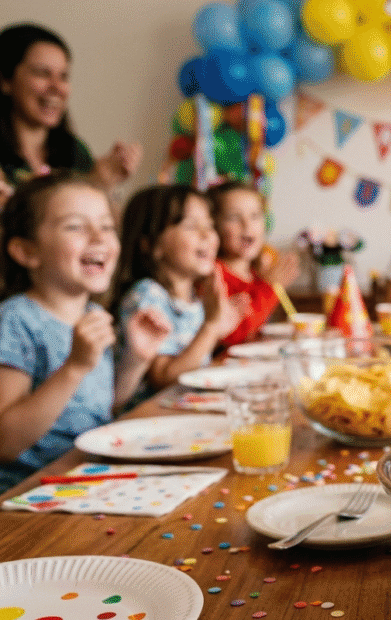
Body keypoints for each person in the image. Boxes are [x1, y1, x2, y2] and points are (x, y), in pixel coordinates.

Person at [0, 172, 170, 492]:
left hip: (89, 475)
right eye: (75, 226)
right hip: (30, 493)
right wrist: (74, 367)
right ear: (26, 251)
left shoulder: (92, 314)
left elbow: (97, 409)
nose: (99, 237)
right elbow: (6, 442)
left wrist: (136, 359)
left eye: (107, 226)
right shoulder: (16, 321)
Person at [110, 184, 246, 408]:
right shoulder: (147, 295)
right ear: (151, 245)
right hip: (146, 420)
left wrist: (219, 332)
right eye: (191, 226)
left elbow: (194, 363)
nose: (208, 235)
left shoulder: (192, 297)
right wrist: (211, 327)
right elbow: (165, 378)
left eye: (210, 225)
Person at [0, 24, 142, 206]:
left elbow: (101, 228)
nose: (57, 87)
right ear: (5, 80)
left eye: (64, 76)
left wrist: (102, 184)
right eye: (42, 73)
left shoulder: (76, 152)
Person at [206, 181, 299, 349]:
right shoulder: (212, 274)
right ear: (214, 225)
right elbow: (233, 336)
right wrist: (269, 287)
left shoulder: (256, 274)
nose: (247, 225)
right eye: (234, 217)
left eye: (255, 216)